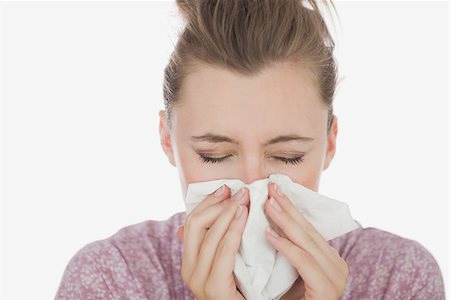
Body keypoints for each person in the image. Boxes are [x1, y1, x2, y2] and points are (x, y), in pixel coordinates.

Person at [55, 0, 445, 299]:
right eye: (215, 155)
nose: (252, 186)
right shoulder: (113, 276)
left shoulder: (397, 275)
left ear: (329, 143)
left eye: (287, 157)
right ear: (167, 139)